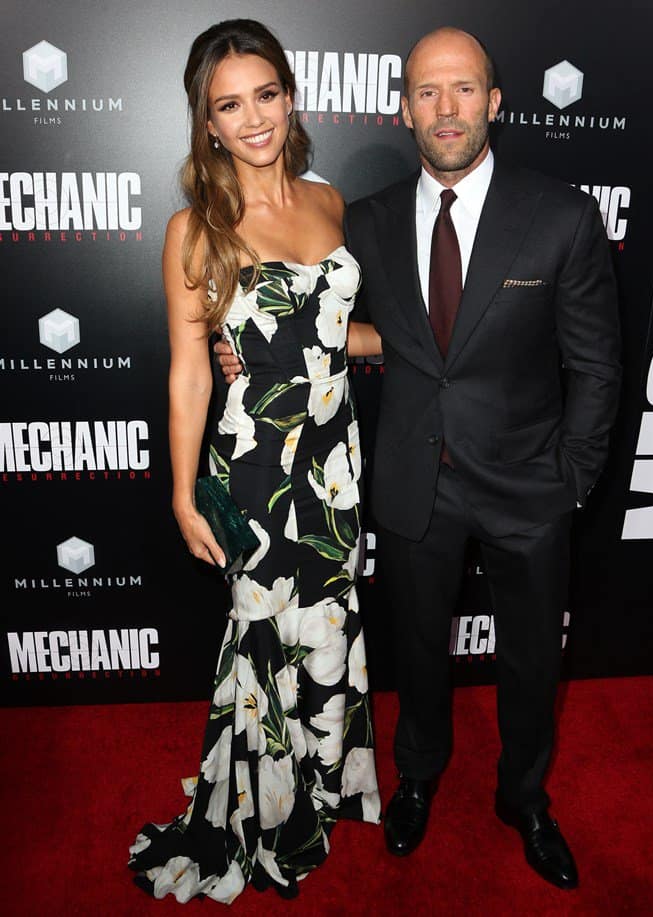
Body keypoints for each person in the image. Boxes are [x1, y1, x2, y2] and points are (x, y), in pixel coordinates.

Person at [216, 26, 621, 891]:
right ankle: (419, 777)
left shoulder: (562, 216)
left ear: (495, 103)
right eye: (428, 93)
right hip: (409, 483)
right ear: (404, 110)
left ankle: (525, 797)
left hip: (529, 490)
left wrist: (571, 479)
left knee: (530, 662)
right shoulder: (360, 222)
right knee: (418, 651)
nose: (447, 110)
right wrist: (245, 346)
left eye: (465, 90)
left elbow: (595, 364)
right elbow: (324, 323)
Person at [129, 19, 380, 906]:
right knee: (265, 641)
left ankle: (316, 789)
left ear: (290, 96)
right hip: (257, 471)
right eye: (228, 106)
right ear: (207, 124)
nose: (253, 119)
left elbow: (335, 334)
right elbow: (191, 369)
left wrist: (401, 343)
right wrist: (182, 494)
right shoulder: (194, 229)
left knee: (329, 631)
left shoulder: (332, 202)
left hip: (334, 467)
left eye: (265, 95)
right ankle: (263, 817)